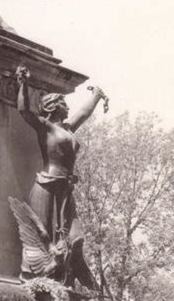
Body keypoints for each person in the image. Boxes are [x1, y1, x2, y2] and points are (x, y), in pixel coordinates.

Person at [16, 66, 108, 288]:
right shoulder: (45, 127)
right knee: (42, 237)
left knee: (75, 238)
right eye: (64, 103)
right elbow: (24, 111)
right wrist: (23, 84)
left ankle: (69, 283)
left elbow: (83, 113)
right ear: (54, 105)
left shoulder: (67, 128)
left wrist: (97, 95)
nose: (68, 106)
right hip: (46, 187)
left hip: (65, 190)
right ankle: (38, 286)